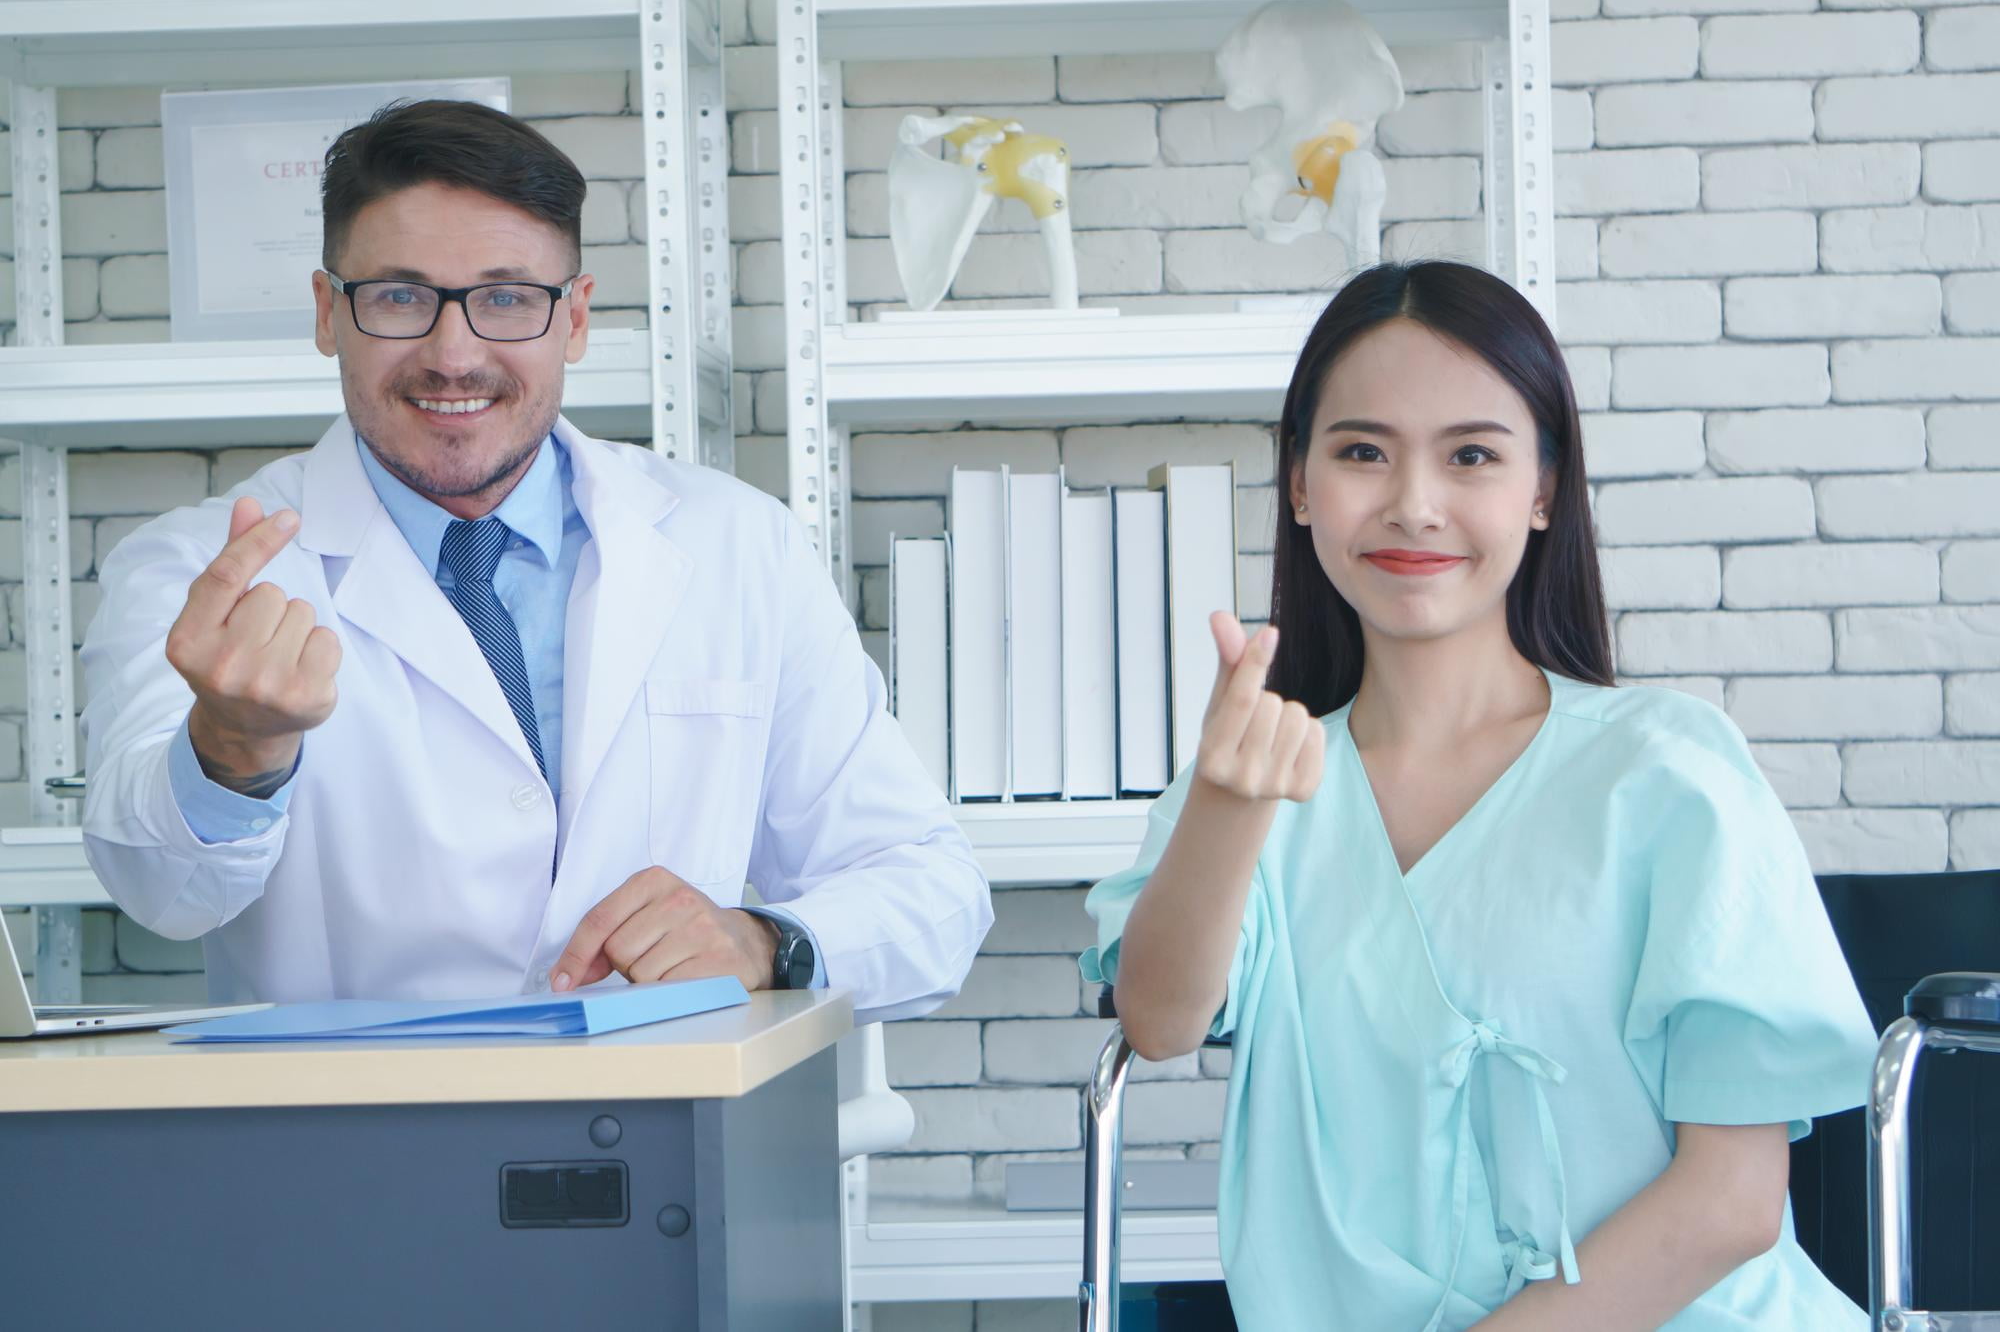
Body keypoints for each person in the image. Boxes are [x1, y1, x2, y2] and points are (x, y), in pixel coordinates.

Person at [1081, 260, 1877, 1329]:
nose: (1413, 505)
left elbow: (1731, 1200)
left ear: (1540, 489)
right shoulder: (1248, 780)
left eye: (1469, 456)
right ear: (1300, 483)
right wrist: (1227, 807)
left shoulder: (1666, 772)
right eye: (1361, 451)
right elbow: (1160, 1020)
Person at [80, 99, 990, 1020]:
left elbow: (933, 893)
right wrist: (235, 748)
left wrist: (766, 940)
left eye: (507, 297)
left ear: (576, 318)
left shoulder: (738, 545)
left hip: (666, 1132)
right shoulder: (200, 568)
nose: (454, 353)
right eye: (399, 295)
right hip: (351, 1138)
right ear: (328, 312)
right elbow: (162, 892)